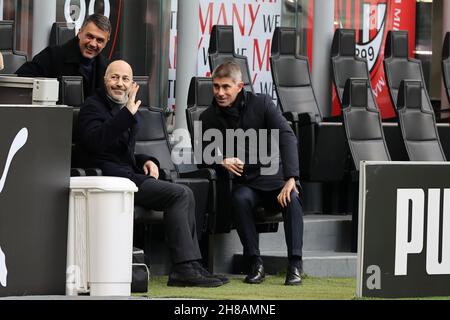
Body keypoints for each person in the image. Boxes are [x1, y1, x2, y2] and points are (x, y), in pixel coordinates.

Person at [76, 59, 227, 288]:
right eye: (114, 77)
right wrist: (126, 114)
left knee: (186, 192)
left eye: (125, 79)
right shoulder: (92, 107)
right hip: (110, 181)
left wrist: (146, 160)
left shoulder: (125, 108)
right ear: (105, 80)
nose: (119, 83)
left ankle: (193, 266)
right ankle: (183, 268)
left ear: (131, 83)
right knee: (180, 194)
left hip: (128, 176)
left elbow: (121, 152)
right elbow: (96, 143)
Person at [200, 61, 304, 285]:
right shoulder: (208, 117)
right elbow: (202, 155)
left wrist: (291, 178)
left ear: (240, 86)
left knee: (292, 198)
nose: (220, 92)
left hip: (275, 178)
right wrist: (221, 160)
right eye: (216, 86)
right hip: (246, 183)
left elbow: (287, 136)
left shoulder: (262, 104)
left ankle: (295, 264)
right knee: (238, 199)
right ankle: (255, 263)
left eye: (226, 87)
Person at [15, 14, 111, 101]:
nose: (93, 44)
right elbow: (19, 82)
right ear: (80, 32)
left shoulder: (108, 69)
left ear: (106, 42)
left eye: (99, 40)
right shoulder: (52, 56)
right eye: (89, 36)